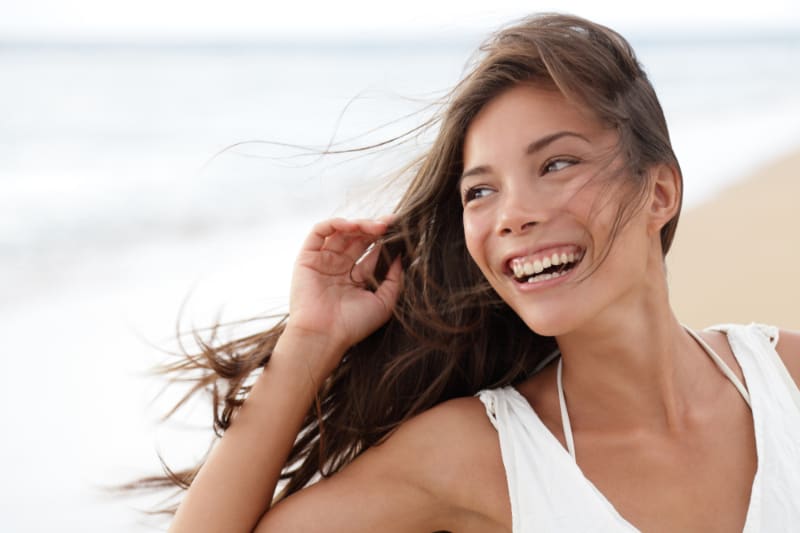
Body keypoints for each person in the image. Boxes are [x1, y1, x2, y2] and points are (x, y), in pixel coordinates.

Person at [152, 13, 800, 532]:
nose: (512, 215)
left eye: (556, 165)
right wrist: (310, 342)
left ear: (660, 192)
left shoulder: (787, 381)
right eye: (480, 192)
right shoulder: (479, 455)